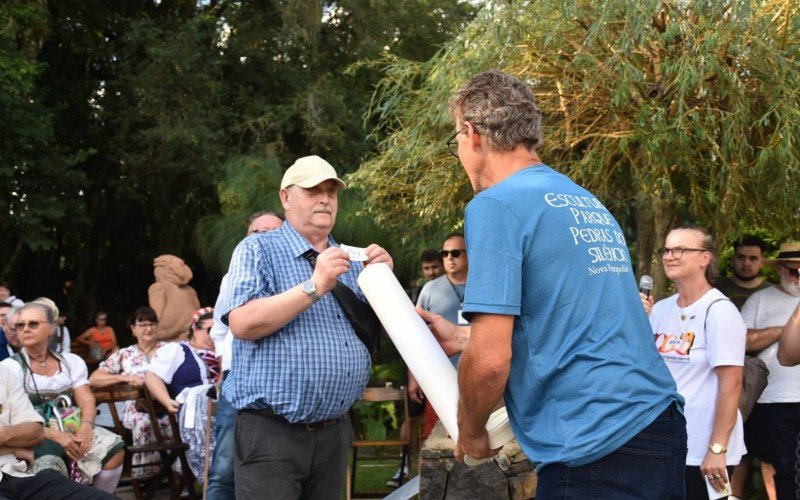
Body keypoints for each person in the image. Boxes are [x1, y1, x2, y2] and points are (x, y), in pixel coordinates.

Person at [421, 70, 685, 498]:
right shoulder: (584, 200)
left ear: (471, 134)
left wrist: (468, 432)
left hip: (595, 443)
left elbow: (491, 362)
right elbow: (578, 326)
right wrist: (463, 335)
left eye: (456, 140)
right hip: (656, 424)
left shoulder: (494, 205)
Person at [219, 155, 393, 500]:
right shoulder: (257, 249)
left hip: (335, 431)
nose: (325, 199)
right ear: (286, 197)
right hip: (272, 433)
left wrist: (387, 281)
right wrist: (315, 285)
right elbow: (242, 323)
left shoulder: (354, 258)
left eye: (331, 191)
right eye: (313, 190)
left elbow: (384, 334)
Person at [649, 227, 746, 498]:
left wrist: (718, 450)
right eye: (666, 250)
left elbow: (732, 384)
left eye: (680, 250)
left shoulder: (719, 310)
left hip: (707, 450)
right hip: (667, 445)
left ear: (705, 258)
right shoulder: (661, 309)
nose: (670, 256)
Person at [0, 302, 125, 492]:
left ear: (51, 329)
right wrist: (56, 436)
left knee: (113, 448)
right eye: (20, 325)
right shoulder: (10, 368)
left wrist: (86, 426)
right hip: (37, 435)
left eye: (33, 324)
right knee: (51, 466)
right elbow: (15, 420)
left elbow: (86, 399)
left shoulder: (70, 362)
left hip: (72, 426)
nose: (25, 329)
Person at [207, 210, 284, 500]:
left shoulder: (298, 278)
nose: (263, 238)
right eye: (256, 232)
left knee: (274, 470)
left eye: (271, 232)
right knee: (224, 468)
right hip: (237, 379)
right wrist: (227, 366)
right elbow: (218, 329)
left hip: (279, 385)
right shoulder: (233, 277)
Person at [736, 242, 800, 500]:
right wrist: (783, 331)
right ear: (781, 270)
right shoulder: (760, 299)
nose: (797, 277)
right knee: (782, 466)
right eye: (793, 271)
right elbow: (740, 340)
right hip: (773, 398)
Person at [0, 363, 117, 499]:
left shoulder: (3, 372)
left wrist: (4, 438)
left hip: (15, 475)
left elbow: (36, 432)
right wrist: (15, 448)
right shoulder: (13, 364)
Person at [89, 307, 171, 477]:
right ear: (133, 329)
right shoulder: (125, 354)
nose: (148, 328)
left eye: (152, 324)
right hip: (137, 407)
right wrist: (123, 378)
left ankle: (176, 473)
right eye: (142, 324)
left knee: (181, 421)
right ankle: (146, 477)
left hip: (167, 404)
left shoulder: (169, 350)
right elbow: (94, 378)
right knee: (144, 423)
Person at [145, 307, 218, 482]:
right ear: (195, 328)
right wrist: (166, 401)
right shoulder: (178, 350)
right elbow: (152, 375)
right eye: (210, 329)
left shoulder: (224, 352)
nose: (214, 335)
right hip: (194, 413)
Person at [148, 255, 201, 341]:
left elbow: (156, 315)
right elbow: (199, 314)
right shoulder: (190, 290)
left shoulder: (158, 287)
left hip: (170, 331)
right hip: (191, 331)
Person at [716, 235, 771, 310]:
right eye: (740, 257)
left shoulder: (771, 292)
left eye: (753, 258)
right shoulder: (716, 289)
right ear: (733, 260)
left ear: (762, 262)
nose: (746, 263)